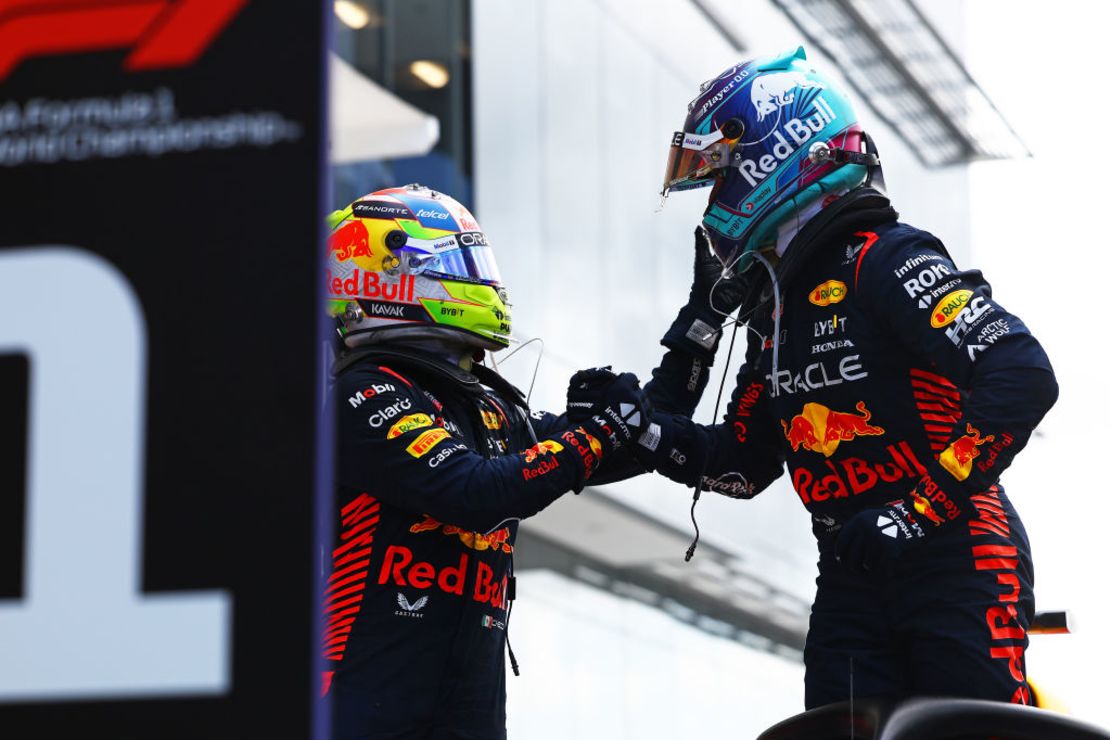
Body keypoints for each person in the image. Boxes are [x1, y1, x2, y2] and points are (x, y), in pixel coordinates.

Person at [568, 47, 1058, 709]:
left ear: (775, 154)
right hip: (849, 575)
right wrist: (645, 431)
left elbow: (1021, 374)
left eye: (716, 177)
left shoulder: (885, 258)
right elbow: (743, 465)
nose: (711, 202)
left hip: (956, 554)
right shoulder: (774, 316)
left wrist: (916, 512)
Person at [321, 184, 651, 739]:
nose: (478, 280)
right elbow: (475, 493)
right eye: (455, 263)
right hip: (359, 711)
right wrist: (602, 431)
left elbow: (620, 446)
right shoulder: (364, 389)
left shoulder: (484, 404)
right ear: (388, 274)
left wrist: (697, 334)